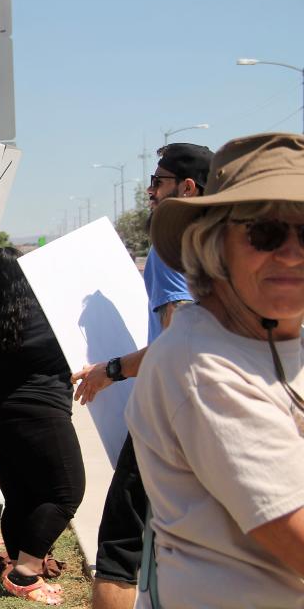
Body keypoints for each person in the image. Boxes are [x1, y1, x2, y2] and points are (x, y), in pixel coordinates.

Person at [126, 132, 304, 607]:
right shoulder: (204, 363)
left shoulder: (280, 336)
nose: (291, 253)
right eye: (265, 233)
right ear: (214, 242)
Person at [70, 143, 212, 609]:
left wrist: (111, 369)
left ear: (186, 187)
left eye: (158, 182)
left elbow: (178, 339)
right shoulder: (232, 242)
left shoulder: (174, 244)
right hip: (230, 409)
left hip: (172, 415)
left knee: (120, 548)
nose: (149, 191)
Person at [0, 247, 85, 605]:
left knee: (19, 494)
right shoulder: (45, 314)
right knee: (66, 493)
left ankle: (16, 565)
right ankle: (26, 571)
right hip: (39, 414)